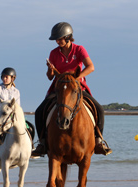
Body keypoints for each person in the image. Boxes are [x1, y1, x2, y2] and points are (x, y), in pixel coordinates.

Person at [32, 22, 112, 157]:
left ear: (68, 37)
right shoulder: (53, 53)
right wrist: (50, 70)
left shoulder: (79, 49)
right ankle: (42, 143)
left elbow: (91, 67)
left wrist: (77, 78)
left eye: (59, 39)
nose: (57, 42)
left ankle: (98, 141)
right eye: (56, 39)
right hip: (59, 88)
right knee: (40, 110)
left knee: (99, 109)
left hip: (77, 87)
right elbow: (49, 77)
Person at [0, 67, 20, 161]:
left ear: (12, 78)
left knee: (28, 128)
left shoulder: (16, 92)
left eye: (6, 77)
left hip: (11, 118)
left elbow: (17, 106)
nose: (4, 79)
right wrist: (2, 113)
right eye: (3, 77)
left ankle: (30, 148)